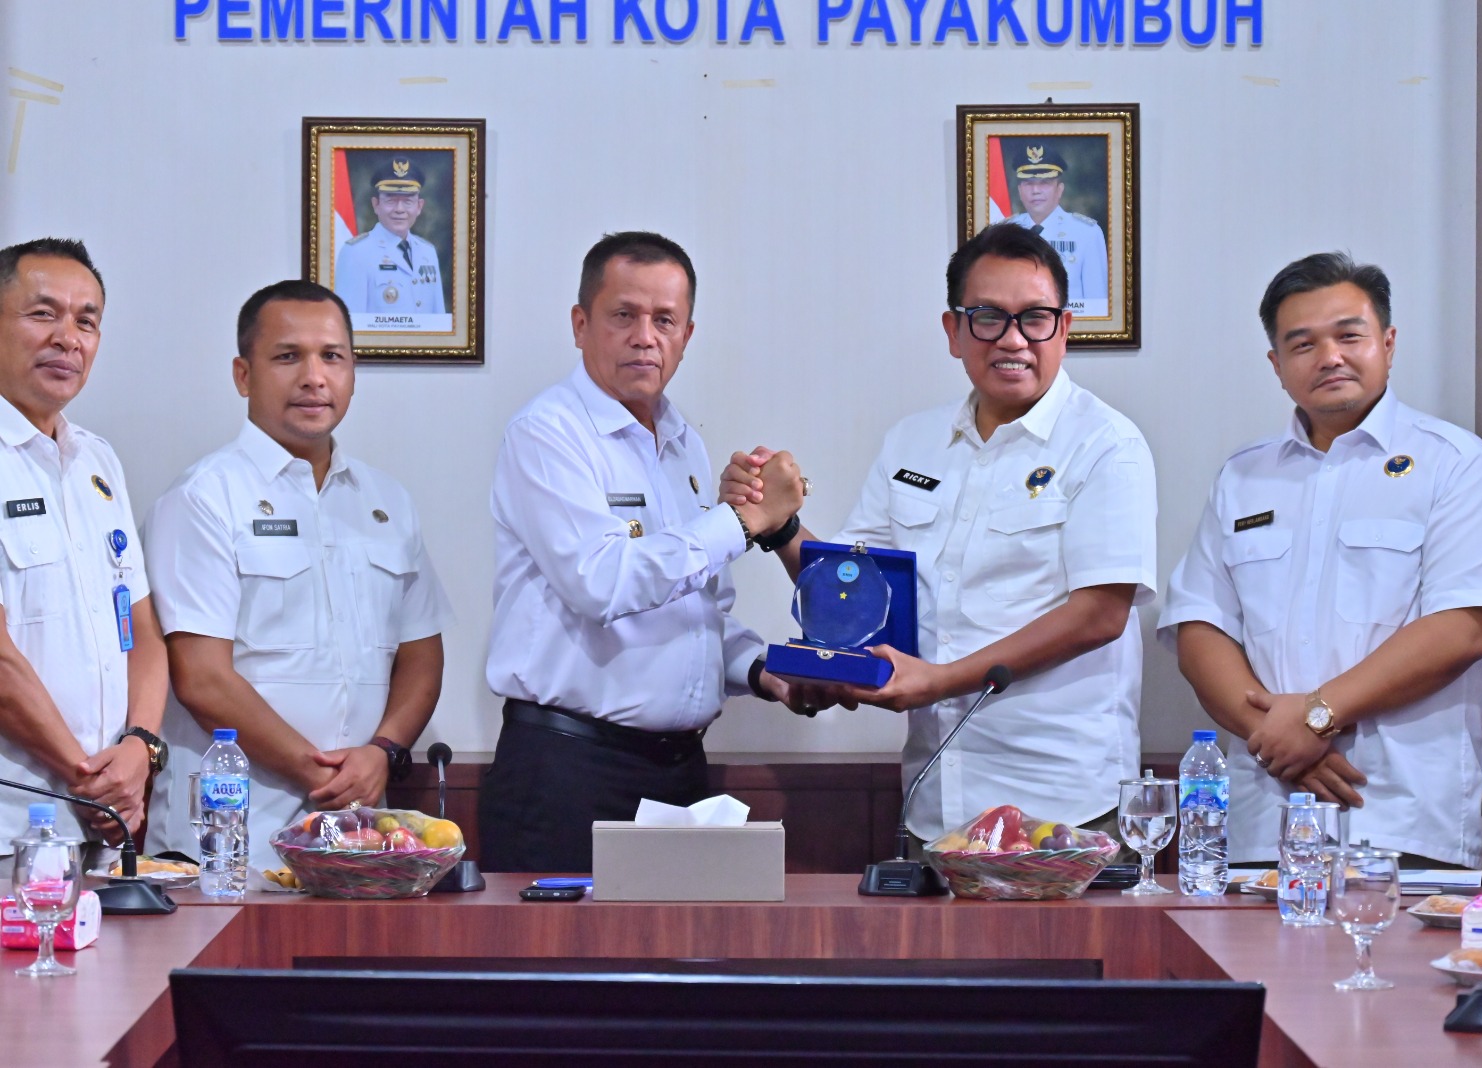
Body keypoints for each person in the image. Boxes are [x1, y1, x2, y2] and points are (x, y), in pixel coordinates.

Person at [720, 224, 1156, 853]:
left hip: (1064, 810)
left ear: (1064, 328)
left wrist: (939, 680)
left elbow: (1100, 615)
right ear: (953, 331)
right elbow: (854, 585)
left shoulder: (1106, 445)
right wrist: (777, 524)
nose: (1012, 340)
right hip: (936, 808)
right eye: (988, 318)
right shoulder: (912, 443)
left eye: (1035, 319)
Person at [1159, 251, 1482, 867]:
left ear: (1388, 343)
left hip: (1403, 820)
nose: (1329, 357)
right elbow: (1200, 628)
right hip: (1264, 816)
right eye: (1303, 344)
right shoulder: (1243, 476)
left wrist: (1315, 718)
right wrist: (1276, 739)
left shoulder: (1454, 462)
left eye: (1349, 336)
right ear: (1276, 365)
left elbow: (1463, 627)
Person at [481, 231, 812, 873]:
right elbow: (602, 583)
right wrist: (745, 520)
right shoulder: (548, 433)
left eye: (664, 320)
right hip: (567, 772)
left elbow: (695, 614)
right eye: (623, 315)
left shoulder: (685, 444)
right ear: (581, 325)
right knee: (557, 945)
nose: (645, 337)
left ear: (687, 335)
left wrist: (762, 670)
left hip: (680, 773)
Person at [144, 280, 451, 868]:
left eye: (332, 356)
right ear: (243, 375)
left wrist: (383, 751)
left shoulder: (386, 501)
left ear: (353, 371)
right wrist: (323, 775)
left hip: (361, 835)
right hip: (230, 837)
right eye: (288, 356)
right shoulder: (204, 497)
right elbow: (201, 677)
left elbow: (421, 654)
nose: (314, 377)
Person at [0, 237, 168, 847]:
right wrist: (90, 780)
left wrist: (140, 747)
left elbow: (142, 632)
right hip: (14, 825)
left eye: (86, 321)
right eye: (43, 313)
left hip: (100, 828)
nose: (67, 338)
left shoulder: (97, 462)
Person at [333, 156, 447, 316]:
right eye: (391, 201)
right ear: (376, 205)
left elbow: (439, 320)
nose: (399, 209)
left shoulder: (428, 252)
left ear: (419, 206)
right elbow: (350, 322)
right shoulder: (356, 252)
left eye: (408, 201)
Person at [1002, 145, 1108, 314]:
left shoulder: (1087, 233)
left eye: (1044, 183)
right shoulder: (1005, 232)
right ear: (1020, 191)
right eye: (1028, 183)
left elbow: (1097, 305)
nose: (1035, 191)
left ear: (1059, 189)